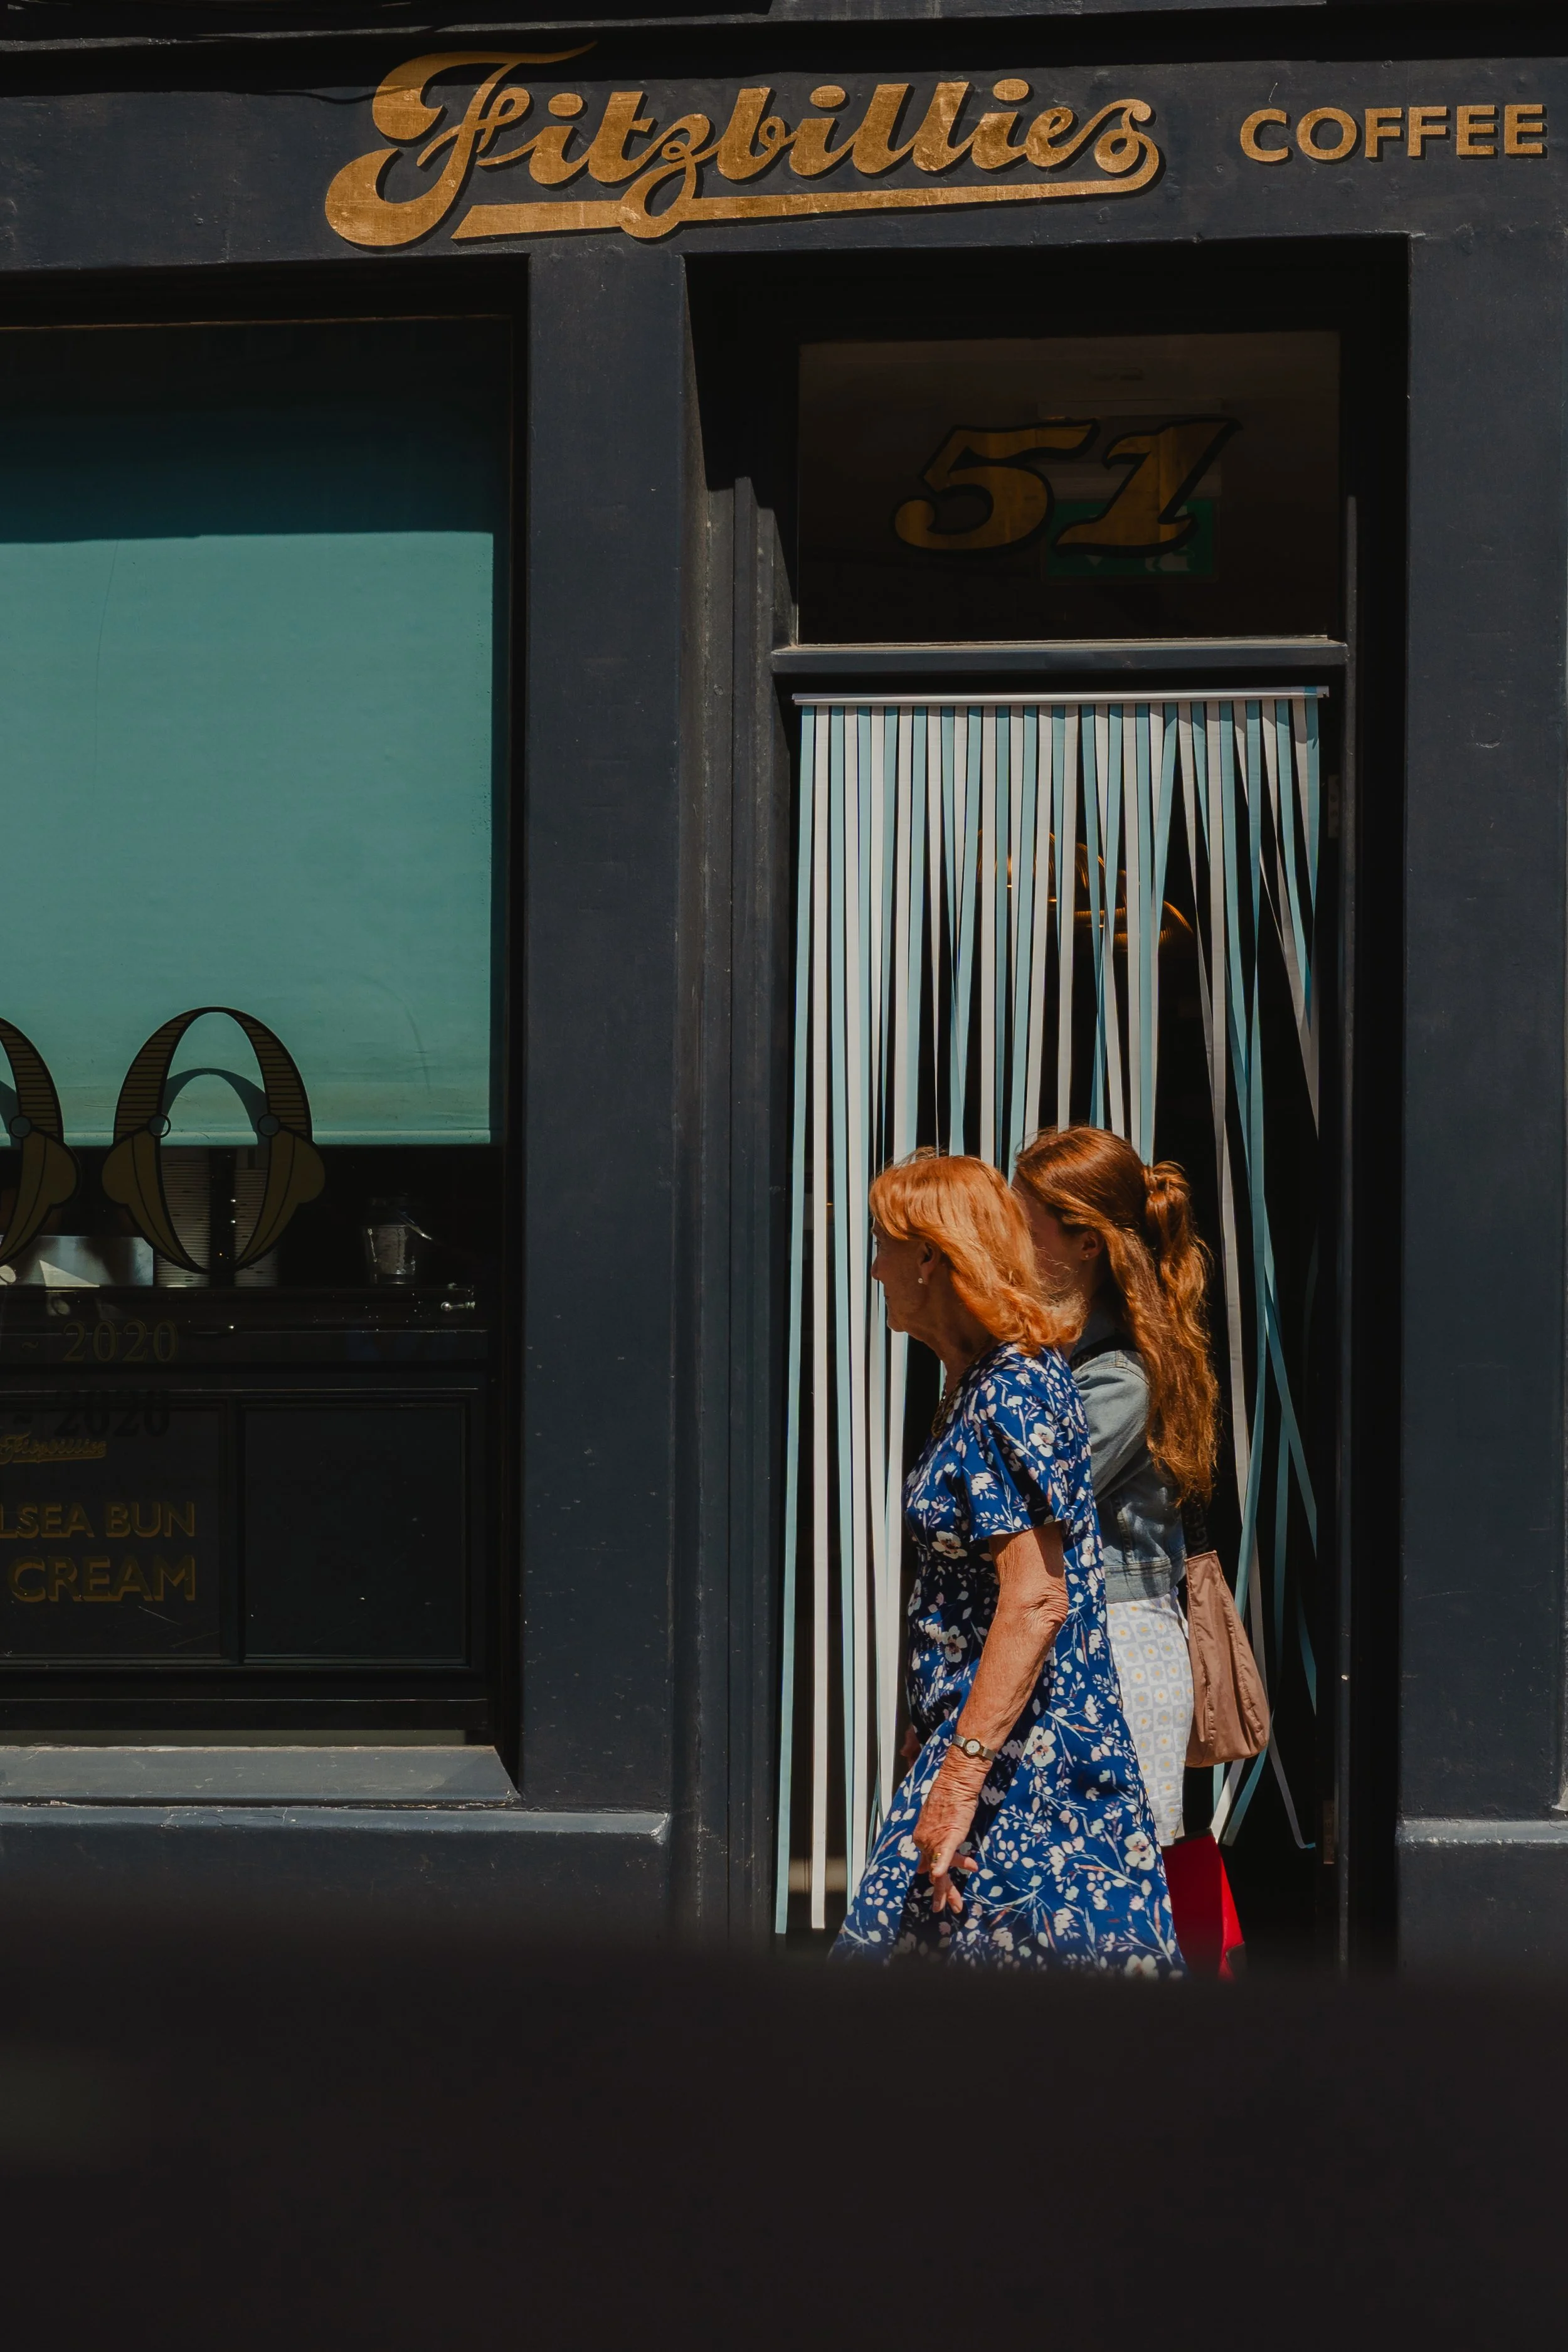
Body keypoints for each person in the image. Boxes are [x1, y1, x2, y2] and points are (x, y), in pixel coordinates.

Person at [834, 1150, 1182, 1972]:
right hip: (989, 1749)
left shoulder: (1009, 1392)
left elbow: (1035, 1599)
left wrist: (960, 1775)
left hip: (1022, 1773)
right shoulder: (992, 1379)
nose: (874, 1266)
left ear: (929, 1256)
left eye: (884, 1243)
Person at [1012, 1126, 1219, 1853]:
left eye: (1022, 1226)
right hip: (1083, 1635)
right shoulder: (1062, 1352)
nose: (1007, 1244)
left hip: (1118, 1642)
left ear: (1085, 1245)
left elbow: (1026, 1499)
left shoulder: (1116, 1376)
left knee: (1109, 1873)